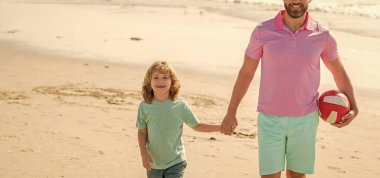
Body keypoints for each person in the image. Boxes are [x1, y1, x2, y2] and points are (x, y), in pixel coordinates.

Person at [221, 0, 359, 177]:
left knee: (297, 176)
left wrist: (354, 108)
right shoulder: (262, 31)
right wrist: (231, 111)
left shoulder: (322, 35)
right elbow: (246, 72)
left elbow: (339, 73)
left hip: (305, 120)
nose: (295, 1)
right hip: (269, 119)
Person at [136, 61, 221, 178]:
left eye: (165, 77)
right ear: (149, 82)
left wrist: (220, 127)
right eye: (156, 77)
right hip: (153, 162)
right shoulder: (144, 106)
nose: (160, 81)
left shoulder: (180, 105)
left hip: (176, 161)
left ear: (172, 82)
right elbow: (142, 132)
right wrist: (143, 154)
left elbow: (197, 125)